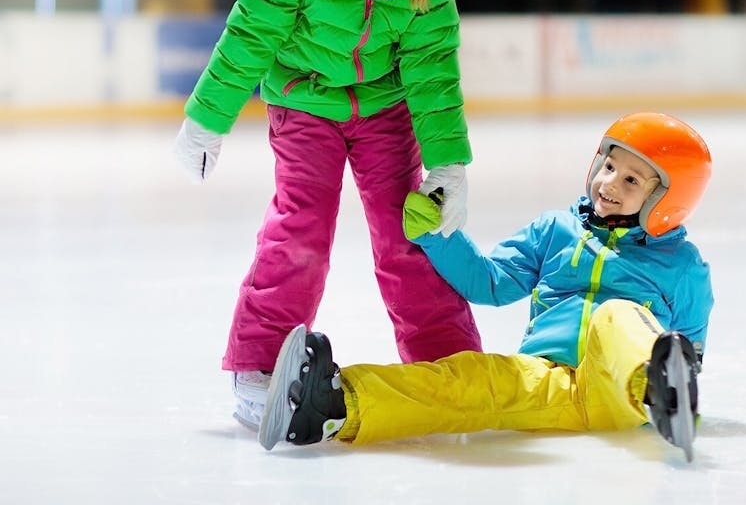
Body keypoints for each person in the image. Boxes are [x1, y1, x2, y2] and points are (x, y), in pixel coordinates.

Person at [173, 0, 482, 429]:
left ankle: (446, 360)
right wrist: (207, 118)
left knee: (410, 233)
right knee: (301, 230)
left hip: (384, 109)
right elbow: (248, 39)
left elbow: (432, 68)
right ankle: (260, 364)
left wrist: (448, 160)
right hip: (304, 103)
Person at [258, 111, 714, 461]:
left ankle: (660, 391)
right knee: (469, 378)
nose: (609, 183)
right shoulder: (556, 232)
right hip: (545, 380)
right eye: (609, 165)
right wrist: (440, 237)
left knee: (616, 317)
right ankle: (335, 404)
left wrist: (673, 375)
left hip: (621, 391)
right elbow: (490, 282)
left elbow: (688, 347)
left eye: (632, 179)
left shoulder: (682, 267)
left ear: (667, 200)